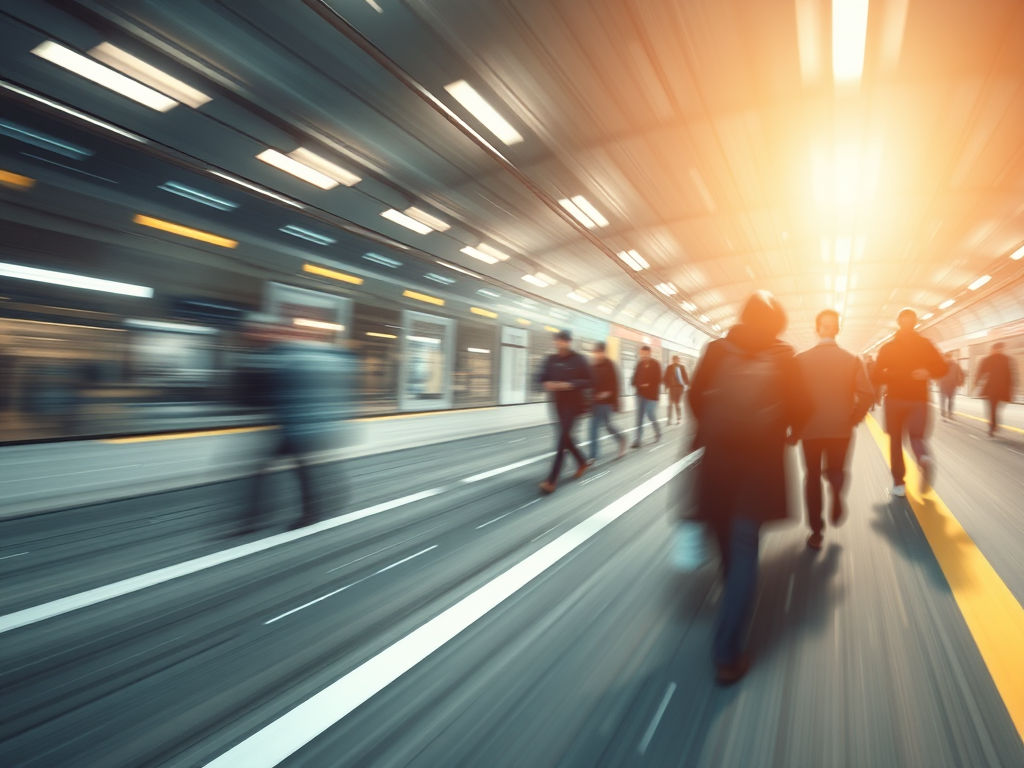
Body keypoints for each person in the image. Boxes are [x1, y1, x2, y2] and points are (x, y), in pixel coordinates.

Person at [688, 291, 810, 684]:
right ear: (778, 323)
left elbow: (694, 397)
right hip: (759, 465)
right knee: (745, 546)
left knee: (724, 536)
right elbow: (803, 405)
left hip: (718, 463)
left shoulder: (717, 349)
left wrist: (713, 428)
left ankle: (731, 596)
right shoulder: (784, 356)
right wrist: (788, 433)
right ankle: (727, 655)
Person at [239, 317, 351, 534]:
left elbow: (271, 391)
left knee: (299, 469)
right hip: (301, 424)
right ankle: (329, 499)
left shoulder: (289, 356)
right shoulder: (315, 355)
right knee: (302, 468)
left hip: (301, 425)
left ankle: (305, 512)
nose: (261, 337)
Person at [796, 309, 874, 550]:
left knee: (811, 477)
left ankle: (816, 532)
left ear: (816, 329)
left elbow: (791, 397)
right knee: (837, 469)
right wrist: (854, 418)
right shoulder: (852, 360)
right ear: (838, 330)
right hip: (841, 428)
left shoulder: (800, 360)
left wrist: (794, 425)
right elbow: (867, 393)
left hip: (810, 429)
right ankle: (837, 493)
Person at [871, 308, 948, 496]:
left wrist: (891, 375)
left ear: (899, 322)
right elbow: (943, 367)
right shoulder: (925, 345)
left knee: (895, 442)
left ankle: (899, 484)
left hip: (895, 401)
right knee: (916, 436)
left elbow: (876, 374)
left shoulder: (888, 348)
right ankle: (923, 458)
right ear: (915, 323)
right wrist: (928, 373)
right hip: (919, 400)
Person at [538, 330, 592, 494]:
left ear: (569, 342)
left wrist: (570, 384)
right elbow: (541, 377)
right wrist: (547, 383)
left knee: (562, 440)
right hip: (557, 404)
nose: (559, 343)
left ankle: (551, 481)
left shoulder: (579, 359)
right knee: (565, 437)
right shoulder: (551, 359)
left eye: (562, 341)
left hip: (574, 405)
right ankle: (582, 461)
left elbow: (590, 380)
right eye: (557, 341)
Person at [589, 342, 627, 461]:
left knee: (608, 426)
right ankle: (593, 456)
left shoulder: (610, 365)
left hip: (607, 402)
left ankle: (621, 439)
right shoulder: (593, 366)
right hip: (595, 402)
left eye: (599, 352)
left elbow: (616, 384)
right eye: (595, 352)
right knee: (593, 427)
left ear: (604, 352)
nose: (597, 355)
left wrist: (608, 394)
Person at [977, 342, 1016, 436]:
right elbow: (981, 372)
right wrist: (977, 382)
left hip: (1001, 388)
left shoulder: (1005, 359)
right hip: (992, 389)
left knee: (995, 408)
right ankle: (992, 426)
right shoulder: (988, 359)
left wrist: (1012, 388)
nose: (998, 350)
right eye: (997, 349)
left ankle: (993, 424)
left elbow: (1010, 375)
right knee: (992, 408)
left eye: (1000, 349)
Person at [630, 345, 662, 447]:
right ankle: (637, 440)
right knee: (639, 418)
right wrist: (636, 383)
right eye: (641, 354)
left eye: (645, 354)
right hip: (640, 395)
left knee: (650, 414)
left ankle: (657, 431)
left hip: (652, 396)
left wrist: (649, 384)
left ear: (649, 354)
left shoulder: (655, 364)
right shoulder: (639, 364)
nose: (643, 356)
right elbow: (634, 378)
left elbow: (658, 380)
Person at [663, 354, 690, 425]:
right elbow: (665, 378)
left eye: (677, 359)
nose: (676, 361)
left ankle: (679, 418)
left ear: (679, 360)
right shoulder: (669, 367)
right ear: (672, 360)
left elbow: (686, 377)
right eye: (674, 359)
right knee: (670, 404)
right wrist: (666, 387)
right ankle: (669, 419)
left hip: (680, 388)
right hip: (671, 388)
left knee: (677, 404)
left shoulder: (682, 367)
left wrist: (687, 384)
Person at [938, 352, 964, 419]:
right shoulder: (941, 365)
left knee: (951, 400)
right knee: (943, 400)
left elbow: (960, 373)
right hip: (943, 385)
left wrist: (960, 382)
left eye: (948, 357)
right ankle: (943, 412)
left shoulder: (956, 365)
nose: (947, 359)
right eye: (946, 358)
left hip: (952, 385)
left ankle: (950, 413)